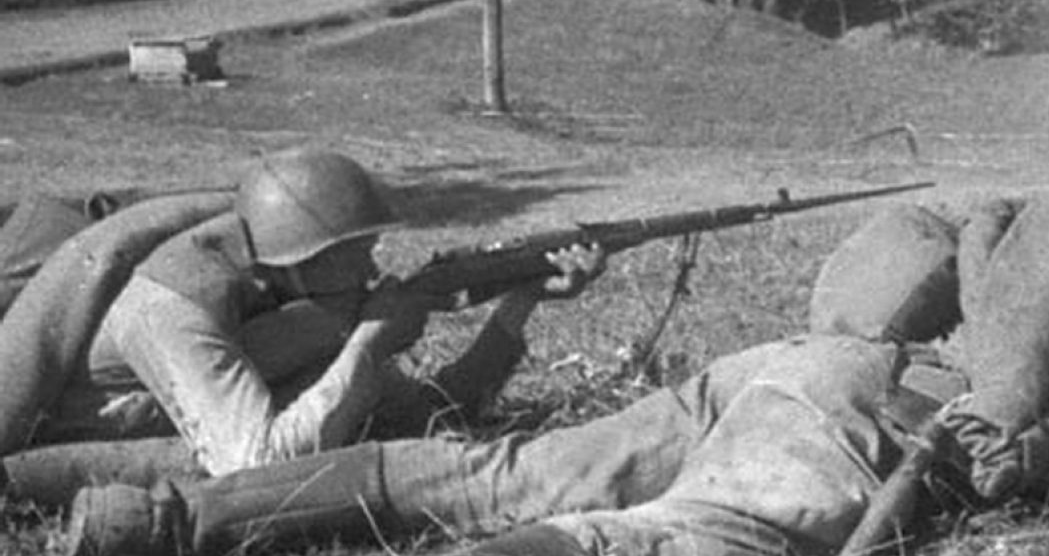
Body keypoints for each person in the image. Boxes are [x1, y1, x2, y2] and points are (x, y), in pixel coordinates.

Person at [64, 156, 1049, 556]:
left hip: (793, 368)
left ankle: (159, 522)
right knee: (659, 544)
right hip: (853, 420)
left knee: (490, 470)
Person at [0, 149, 600, 506]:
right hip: (78, 423)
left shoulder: (299, 300)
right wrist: (367, 343)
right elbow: (258, 469)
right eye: (356, 252)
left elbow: (430, 411)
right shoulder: (173, 306)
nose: (373, 266)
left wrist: (521, 300)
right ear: (298, 257)